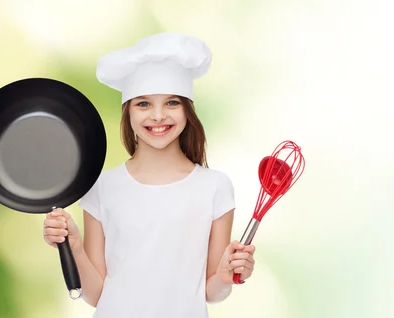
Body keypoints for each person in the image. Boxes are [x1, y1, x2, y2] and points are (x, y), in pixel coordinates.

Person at [43, 32, 256, 318]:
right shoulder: (102, 186)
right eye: (143, 104)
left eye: (171, 103)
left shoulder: (214, 186)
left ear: (187, 110)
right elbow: (95, 295)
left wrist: (228, 274)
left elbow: (212, 291)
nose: (157, 116)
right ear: (128, 113)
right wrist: (75, 246)